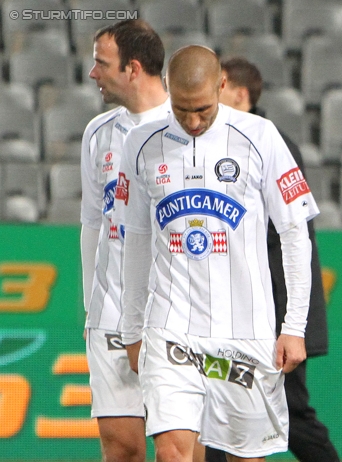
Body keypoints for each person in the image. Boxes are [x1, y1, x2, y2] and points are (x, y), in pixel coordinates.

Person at [116, 45, 319, 462]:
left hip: (246, 329)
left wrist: (294, 325)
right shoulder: (141, 143)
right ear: (168, 90)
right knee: (172, 453)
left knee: (246, 457)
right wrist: (132, 328)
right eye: (182, 109)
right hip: (170, 327)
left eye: (203, 110)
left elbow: (295, 233)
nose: (192, 121)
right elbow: (134, 238)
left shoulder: (261, 137)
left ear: (222, 86)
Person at [204, 56, 340, 462]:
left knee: (292, 413)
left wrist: (290, 325)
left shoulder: (269, 141)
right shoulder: (222, 141)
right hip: (244, 313)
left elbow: (291, 237)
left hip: (275, 313)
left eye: (221, 87)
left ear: (240, 94)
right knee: (216, 411)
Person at [80, 19, 171, 462]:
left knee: (177, 451)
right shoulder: (98, 133)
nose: (93, 73)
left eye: (102, 63)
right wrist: (91, 307)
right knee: (121, 448)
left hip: (172, 316)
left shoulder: (185, 129)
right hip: (111, 315)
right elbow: (92, 223)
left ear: (133, 69)